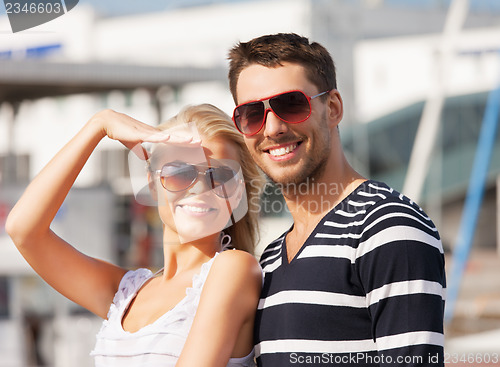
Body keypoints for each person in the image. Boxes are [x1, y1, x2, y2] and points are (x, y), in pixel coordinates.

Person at [227, 33, 446, 366]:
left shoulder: (387, 228)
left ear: (332, 108)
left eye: (291, 104)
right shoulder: (270, 259)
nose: (272, 128)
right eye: (252, 114)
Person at [6, 104, 264, 366]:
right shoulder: (126, 293)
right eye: (180, 173)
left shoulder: (234, 268)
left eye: (220, 175)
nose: (200, 187)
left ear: (238, 192)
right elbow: (23, 230)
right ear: (152, 184)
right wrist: (99, 124)